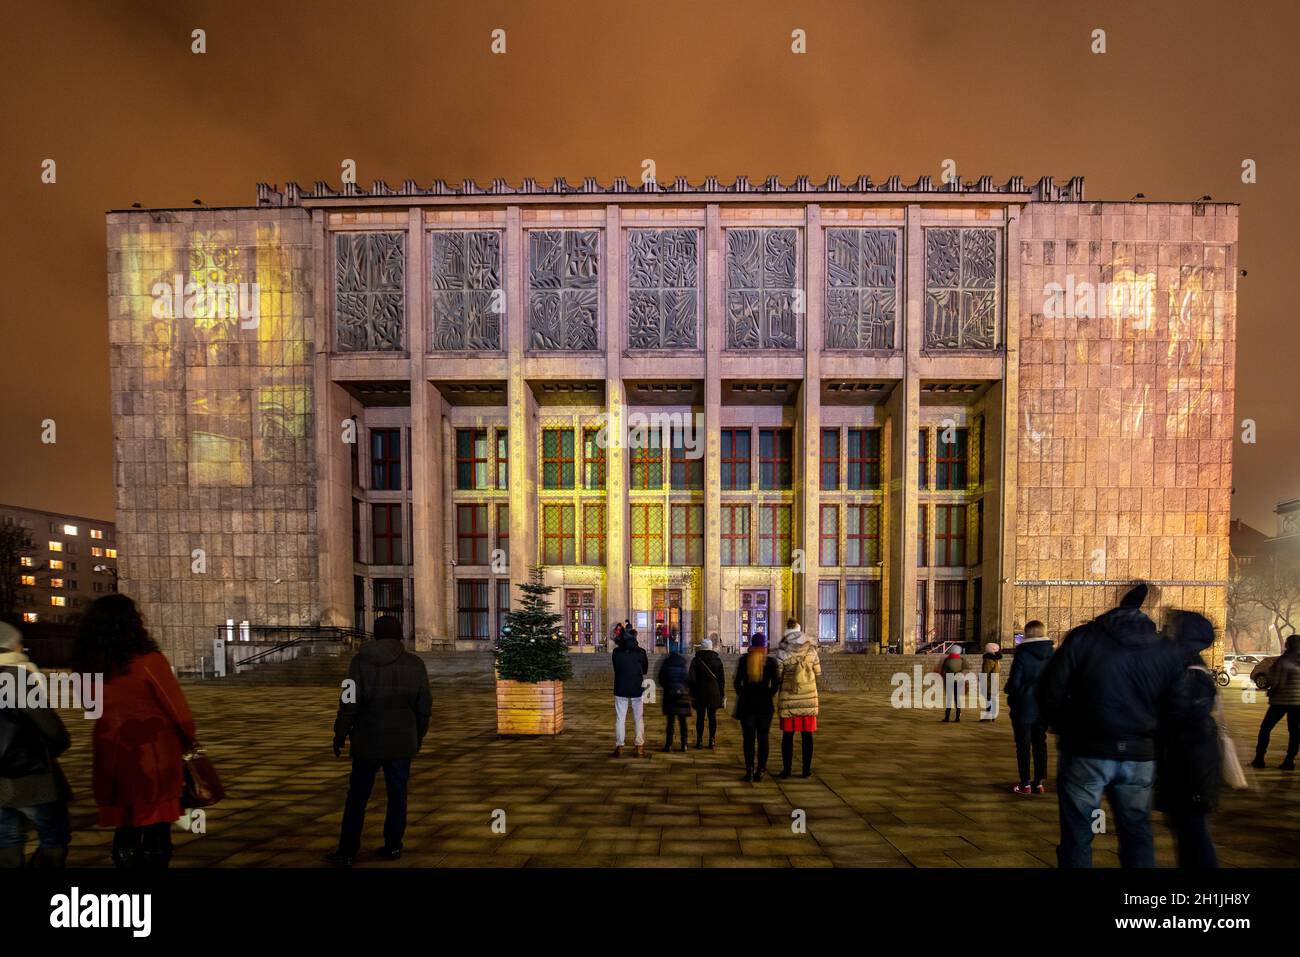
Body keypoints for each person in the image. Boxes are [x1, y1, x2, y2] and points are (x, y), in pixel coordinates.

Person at [1038, 582, 1184, 868]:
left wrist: (1064, 727)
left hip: (1086, 748)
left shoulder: (1084, 637)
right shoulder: (1161, 648)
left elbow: (1050, 689)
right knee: (1136, 831)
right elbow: (1175, 700)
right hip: (1140, 752)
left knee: (1078, 832)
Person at [73, 594, 197, 869]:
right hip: (153, 750)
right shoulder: (148, 661)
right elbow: (178, 710)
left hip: (111, 751)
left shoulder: (85, 665)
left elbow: (91, 707)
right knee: (156, 824)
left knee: (126, 823)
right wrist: (189, 742)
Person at [327, 614, 432, 867]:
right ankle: (394, 846)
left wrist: (340, 733)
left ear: (375, 634)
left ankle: (348, 850)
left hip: (367, 739)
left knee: (357, 798)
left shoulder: (359, 663)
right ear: (399, 634)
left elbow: (349, 701)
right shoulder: (415, 664)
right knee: (398, 796)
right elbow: (424, 706)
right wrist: (416, 737)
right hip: (401, 741)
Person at [0, 622, 72, 868]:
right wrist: (53, 749)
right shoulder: (15, 676)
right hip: (31, 775)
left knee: (7, 841)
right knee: (54, 838)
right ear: (13, 645)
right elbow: (52, 730)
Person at [1155, 610, 1221, 868]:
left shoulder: (1187, 669)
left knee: (1192, 828)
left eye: (1171, 627)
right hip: (1187, 756)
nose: (1165, 631)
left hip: (1190, 760)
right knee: (1185, 828)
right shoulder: (1186, 663)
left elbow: (1179, 713)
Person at [1004, 621, 1053, 794]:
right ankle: (1039, 783)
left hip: (1024, 705)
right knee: (1040, 743)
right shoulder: (1052, 653)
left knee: (1023, 745)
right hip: (1043, 706)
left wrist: (1008, 689)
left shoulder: (1022, 654)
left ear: (1027, 634)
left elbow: (1015, 682)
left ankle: (1025, 783)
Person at [775, 619, 821, 778]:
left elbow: (778, 677)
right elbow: (818, 672)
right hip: (808, 697)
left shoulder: (782, 651)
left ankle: (787, 770)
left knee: (788, 736)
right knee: (807, 736)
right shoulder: (811, 650)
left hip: (789, 697)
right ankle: (806, 770)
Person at [733, 632, 780, 782]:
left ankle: (749, 770)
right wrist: (768, 695)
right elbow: (776, 685)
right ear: (764, 646)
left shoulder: (744, 660)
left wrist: (743, 694)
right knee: (763, 739)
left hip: (747, 706)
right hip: (765, 707)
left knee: (748, 740)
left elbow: (736, 683)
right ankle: (761, 769)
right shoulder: (771, 662)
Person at [1250, 633, 1300, 770]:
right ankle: (1289, 761)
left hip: (1281, 701)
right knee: (1294, 731)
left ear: (1288, 645)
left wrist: (1271, 690)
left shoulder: (1284, 660)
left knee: (1265, 728)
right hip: (1298, 703)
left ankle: (1259, 759)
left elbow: (1278, 682)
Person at [611, 625, 648, 758]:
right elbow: (645, 670)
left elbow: (616, 668)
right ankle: (639, 747)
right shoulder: (641, 652)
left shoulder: (616, 652)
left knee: (621, 718)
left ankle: (620, 746)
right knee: (638, 718)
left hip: (620, 687)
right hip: (636, 688)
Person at [688, 637, 725, 749]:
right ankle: (712, 740)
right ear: (711, 648)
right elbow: (721, 680)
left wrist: (692, 693)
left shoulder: (696, 660)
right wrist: (722, 694)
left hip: (700, 693)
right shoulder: (718, 661)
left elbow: (692, 679)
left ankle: (699, 740)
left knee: (700, 717)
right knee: (712, 717)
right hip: (714, 693)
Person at [658, 640, 693, 752]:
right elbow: (687, 679)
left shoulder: (666, 662)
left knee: (671, 721)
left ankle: (668, 745)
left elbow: (660, 678)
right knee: (683, 721)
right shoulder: (683, 663)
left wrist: (667, 686)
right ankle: (684, 744)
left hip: (670, 694)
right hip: (682, 695)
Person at [938, 643, 966, 722]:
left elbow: (943, 669)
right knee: (957, 698)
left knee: (949, 698)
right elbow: (965, 667)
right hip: (959, 679)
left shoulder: (947, 660)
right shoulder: (961, 659)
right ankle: (958, 716)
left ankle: (947, 717)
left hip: (949, 678)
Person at [980, 641, 1002, 721]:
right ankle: (993, 716)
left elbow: (986, 672)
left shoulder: (988, 659)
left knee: (988, 699)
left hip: (989, 682)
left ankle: (988, 716)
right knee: (993, 699)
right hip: (995, 681)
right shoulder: (997, 659)